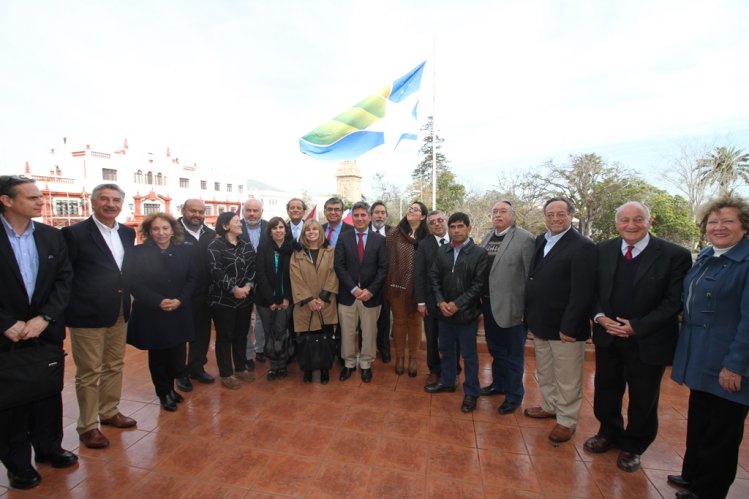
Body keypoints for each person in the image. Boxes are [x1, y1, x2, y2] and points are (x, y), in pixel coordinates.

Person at [585, 202, 692, 472]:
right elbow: (592, 290)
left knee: (644, 396)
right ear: (616, 222)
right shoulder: (602, 250)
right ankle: (608, 432)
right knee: (607, 388)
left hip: (648, 340)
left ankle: (634, 446)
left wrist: (637, 326)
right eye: (624, 220)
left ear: (650, 221)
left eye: (638, 219)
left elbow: (673, 302)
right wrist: (599, 317)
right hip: (608, 334)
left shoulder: (674, 255)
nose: (631, 225)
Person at [669, 196, 749, 499]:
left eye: (728, 221)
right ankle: (693, 475)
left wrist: (736, 364)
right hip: (700, 356)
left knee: (722, 432)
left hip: (729, 361)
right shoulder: (707, 255)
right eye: (713, 222)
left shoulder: (745, 262)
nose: (719, 227)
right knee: (701, 420)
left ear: (744, 226)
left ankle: (708, 491)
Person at [0, 175, 75, 489]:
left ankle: (49, 448)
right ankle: (18, 463)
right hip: (7, 333)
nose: (40, 201)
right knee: (10, 398)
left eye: (40, 196)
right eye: (32, 197)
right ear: (7, 200)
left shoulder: (50, 235)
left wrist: (45, 317)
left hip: (44, 330)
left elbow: (64, 279)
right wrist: (5, 323)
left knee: (47, 391)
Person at [63, 183, 137, 450]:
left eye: (116, 200)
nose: (110, 204)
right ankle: (87, 426)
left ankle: (109, 411)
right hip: (87, 313)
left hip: (119, 309)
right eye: (104, 199)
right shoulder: (74, 233)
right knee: (89, 372)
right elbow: (66, 275)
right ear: (93, 203)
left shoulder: (128, 233)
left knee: (114, 365)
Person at [524, 197, 596, 444]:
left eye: (560, 214)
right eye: (550, 214)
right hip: (541, 321)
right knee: (545, 371)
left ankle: (566, 420)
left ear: (571, 215)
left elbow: (582, 292)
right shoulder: (541, 240)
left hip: (565, 327)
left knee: (568, 377)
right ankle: (550, 405)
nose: (555, 218)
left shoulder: (582, 246)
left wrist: (569, 326)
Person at [127, 214, 196, 411]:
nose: (161, 233)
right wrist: (158, 301)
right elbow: (134, 283)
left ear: (173, 230)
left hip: (178, 310)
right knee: (158, 355)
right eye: (156, 229)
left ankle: (172, 388)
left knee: (176, 353)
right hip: (153, 312)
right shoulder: (138, 253)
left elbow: (192, 278)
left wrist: (180, 300)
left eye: (165, 228)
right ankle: (163, 392)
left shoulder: (184, 251)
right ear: (149, 232)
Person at [425, 213, 487, 413]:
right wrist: (441, 301)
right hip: (444, 313)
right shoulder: (443, 251)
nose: (456, 230)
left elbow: (479, 285)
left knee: (469, 355)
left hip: (466, 313)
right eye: (453, 227)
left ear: (469, 228)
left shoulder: (479, 253)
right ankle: (447, 381)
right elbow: (434, 277)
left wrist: (458, 304)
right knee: (447, 350)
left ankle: (471, 392)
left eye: (461, 226)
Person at [479, 201, 535, 415]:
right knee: (496, 350)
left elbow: (530, 276)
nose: (498, 215)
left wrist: (525, 310)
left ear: (513, 215)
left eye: (503, 211)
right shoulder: (488, 237)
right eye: (494, 211)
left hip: (513, 307)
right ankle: (498, 384)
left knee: (513, 354)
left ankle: (514, 395)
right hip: (489, 304)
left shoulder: (525, 239)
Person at [334, 201, 387, 383]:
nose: (359, 218)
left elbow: (383, 269)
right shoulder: (343, 238)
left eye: (363, 215)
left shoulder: (379, 240)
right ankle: (348, 364)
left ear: (370, 217)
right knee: (347, 333)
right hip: (348, 295)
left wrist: (370, 291)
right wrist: (354, 289)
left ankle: (365, 364)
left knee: (369, 333)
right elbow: (339, 266)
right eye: (356, 215)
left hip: (371, 297)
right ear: (352, 218)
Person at [207, 212, 257, 390]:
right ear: (225, 226)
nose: (241, 224)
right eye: (237, 222)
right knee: (224, 337)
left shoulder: (245, 244)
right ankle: (227, 373)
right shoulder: (215, 245)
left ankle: (241, 368)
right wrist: (234, 289)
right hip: (223, 300)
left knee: (241, 334)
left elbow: (253, 267)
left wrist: (248, 287)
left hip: (245, 298)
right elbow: (216, 270)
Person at [290, 220, 339, 384]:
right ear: (303, 234)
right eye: (307, 230)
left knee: (325, 336)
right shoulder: (297, 253)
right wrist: (309, 299)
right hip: (305, 303)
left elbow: (334, 273)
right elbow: (295, 277)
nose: (311, 232)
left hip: (326, 302)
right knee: (306, 337)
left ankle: (325, 369)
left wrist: (323, 297)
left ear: (320, 231)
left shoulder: (330, 251)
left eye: (314, 229)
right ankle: (308, 369)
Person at [176, 199, 216, 391]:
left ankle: (196, 368)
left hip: (205, 294)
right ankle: (179, 373)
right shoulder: (173, 232)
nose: (197, 215)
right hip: (181, 294)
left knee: (202, 333)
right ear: (184, 210)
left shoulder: (211, 234)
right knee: (180, 335)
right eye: (193, 211)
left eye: (201, 212)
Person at [385, 201, 427, 376]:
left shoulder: (428, 235)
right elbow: (386, 256)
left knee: (416, 323)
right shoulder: (395, 233)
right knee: (399, 322)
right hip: (397, 287)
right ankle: (400, 357)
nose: (411, 210)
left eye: (415, 209)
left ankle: (413, 358)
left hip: (419, 288)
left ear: (423, 216)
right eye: (410, 208)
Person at [415, 210, 456, 386]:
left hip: (453, 302)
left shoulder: (458, 240)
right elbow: (419, 274)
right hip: (431, 302)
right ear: (428, 227)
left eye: (440, 220)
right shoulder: (424, 245)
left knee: (452, 339)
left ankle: (452, 370)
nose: (437, 224)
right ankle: (434, 370)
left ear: (446, 221)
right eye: (432, 222)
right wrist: (421, 302)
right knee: (432, 338)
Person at [255, 217, 293, 380]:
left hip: (286, 299)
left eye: (281, 227)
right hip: (266, 301)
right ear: (270, 231)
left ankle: (282, 364)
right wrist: (271, 300)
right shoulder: (263, 248)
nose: (278, 230)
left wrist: (286, 298)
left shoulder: (292, 248)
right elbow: (261, 275)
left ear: (286, 230)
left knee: (281, 332)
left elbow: (294, 276)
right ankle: (273, 366)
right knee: (269, 332)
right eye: (274, 228)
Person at [240, 197, 268, 369]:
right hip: (242, 282)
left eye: (255, 210)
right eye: (248, 210)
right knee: (244, 320)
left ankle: (261, 348)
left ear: (261, 212)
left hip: (263, 281)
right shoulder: (235, 226)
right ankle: (247, 354)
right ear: (243, 211)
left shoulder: (268, 227)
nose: (252, 214)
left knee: (261, 318)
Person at [370, 201, 392, 363]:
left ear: (386, 215)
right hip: (367, 285)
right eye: (376, 212)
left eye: (382, 212)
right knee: (366, 322)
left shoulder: (394, 233)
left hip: (386, 284)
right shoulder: (362, 232)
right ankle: (367, 350)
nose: (379, 215)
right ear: (371, 215)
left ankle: (384, 349)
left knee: (384, 320)